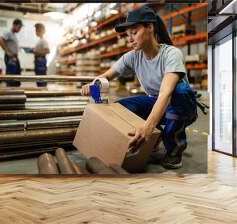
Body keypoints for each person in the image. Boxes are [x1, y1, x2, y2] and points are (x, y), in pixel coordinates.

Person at [81, 6, 197, 169]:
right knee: (121, 107)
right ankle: (156, 138)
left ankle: (174, 148)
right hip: (157, 104)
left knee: (181, 90)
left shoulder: (171, 54)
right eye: (127, 35)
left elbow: (165, 93)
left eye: (134, 33)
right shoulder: (132, 57)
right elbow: (105, 77)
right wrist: (93, 86)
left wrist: (148, 127)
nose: (129, 39)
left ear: (150, 27)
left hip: (181, 106)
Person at [0, 19, 23, 87]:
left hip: (15, 58)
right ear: (14, 25)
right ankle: (11, 92)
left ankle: (16, 91)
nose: (20, 29)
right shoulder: (8, 32)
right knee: (11, 76)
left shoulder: (13, 34)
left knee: (16, 76)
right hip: (10, 58)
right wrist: (7, 51)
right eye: (19, 27)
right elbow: (0, 40)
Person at [31, 23, 50, 87]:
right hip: (38, 61)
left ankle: (42, 93)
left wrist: (35, 51)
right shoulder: (40, 40)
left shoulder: (44, 41)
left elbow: (47, 51)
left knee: (41, 79)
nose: (35, 32)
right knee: (39, 79)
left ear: (41, 30)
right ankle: (41, 92)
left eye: (36, 30)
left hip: (40, 61)